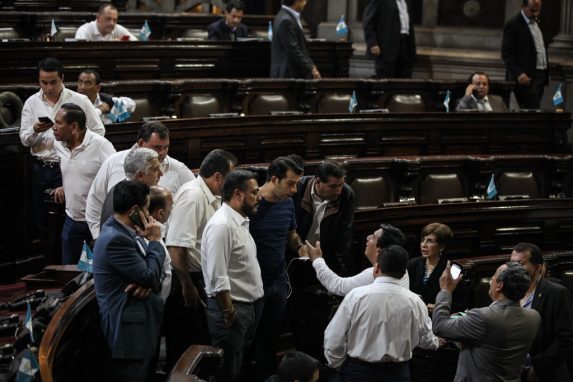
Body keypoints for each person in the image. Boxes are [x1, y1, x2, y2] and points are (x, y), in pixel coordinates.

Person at [163, 149, 237, 370]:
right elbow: (176, 247)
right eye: (230, 178)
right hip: (186, 281)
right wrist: (187, 285)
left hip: (197, 279)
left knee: (198, 341)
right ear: (217, 177)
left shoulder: (209, 195)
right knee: (185, 345)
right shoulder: (193, 196)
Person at [323, 245, 439, 382]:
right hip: (398, 374)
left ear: (377, 268)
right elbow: (427, 340)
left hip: (358, 371)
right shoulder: (415, 301)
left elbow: (334, 338)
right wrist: (436, 342)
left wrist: (336, 365)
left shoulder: (356, 296)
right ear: (403, 273)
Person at [19, 57, 105, 239]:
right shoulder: (31, 103)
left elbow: (98, 131)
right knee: (42, 220)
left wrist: (76, 146)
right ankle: (49, 262)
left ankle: (68, 262)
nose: (49, 88)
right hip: (41, 167)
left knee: (70, 218)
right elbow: (25, 140)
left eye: (53, 82)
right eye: (44, 82)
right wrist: (35, 129)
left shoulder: (79, 100)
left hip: (69, 166)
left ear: (62, 78)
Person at [93, 180, 166, 382]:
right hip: (127, 333)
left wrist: (148, 282)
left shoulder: (126, 232)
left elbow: (154, 275)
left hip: (139, 326)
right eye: (146, 208)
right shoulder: (116, 239)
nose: (149, 215)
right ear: (135, 210)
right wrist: (155, 242)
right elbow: (151, 274)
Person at [201, 169, 263, 382]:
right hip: (231, 310)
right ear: (238, 194)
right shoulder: (222, 226)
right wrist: (229, 313)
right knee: (226, 372)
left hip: (245, 308)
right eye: (254, 193)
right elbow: (218, 275)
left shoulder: (239, 221)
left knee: (237, 367)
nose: (259, 197)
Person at [433, 261, 540, 381]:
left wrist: (446, 291)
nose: (491, 280)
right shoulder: (534, 317)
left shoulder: (482, 317)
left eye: (494, 276)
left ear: (499, 286)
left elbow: (439, 326)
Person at [86, 120, 194, 239]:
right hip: (122, 242)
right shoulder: (113, 162)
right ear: (141, 142)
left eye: (166, 147)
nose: (162, 153)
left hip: (163, 241)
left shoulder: (179, 169)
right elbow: (95, 201)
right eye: (157, 147)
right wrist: (98, 237)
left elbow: (194, 197)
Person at [249, 156, 306, 381]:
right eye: (290, 184)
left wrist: (301, 248)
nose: (294, 190)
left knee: (271, 340)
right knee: (248, 342)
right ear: (274, 179)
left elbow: (291, 234)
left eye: (297, 184)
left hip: (278, 281)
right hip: (253, 284)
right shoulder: (250, 204)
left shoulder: (287, 202)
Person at [52, 103, 115, 264]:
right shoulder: (58, 144)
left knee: (99, 272)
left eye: (59, 123)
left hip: (99, 221)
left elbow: (115, 180)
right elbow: (75, 170)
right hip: (72, 220)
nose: (53, 127)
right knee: (70, 272)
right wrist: (65, 186)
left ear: (73, 127)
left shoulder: (101, 146)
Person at [510, 242, 573, 381]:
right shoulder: (509, 291)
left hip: (546, 373)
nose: (514, 269)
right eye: (511, 263)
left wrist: (538, 367)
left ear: (538, 268)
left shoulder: (556, 293)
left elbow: (565, 339)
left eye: (520, 264)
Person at [306, 223, 409, 296]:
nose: (368, 238)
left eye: (373, 237)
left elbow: (337, 285)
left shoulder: (374, 274)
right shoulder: (403, 269)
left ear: (379, 250)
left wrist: (317, 259)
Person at [292, 160, 355, 275]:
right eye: (333, 186)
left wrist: (340, 272)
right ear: (318, 182)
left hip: (325, 258)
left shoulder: (346, 194)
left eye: (341, 185)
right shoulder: (297, 189)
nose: (338, 191)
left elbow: (344, 236)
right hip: (295, 255)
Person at [407, 222, 467, 314]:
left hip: (438, 320)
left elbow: (461, 304)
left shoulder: (453, 269)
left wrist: (440, 308)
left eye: (430, 241)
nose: (424, 245)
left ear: (442, 247)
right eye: (423, 240)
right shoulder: (412, 264)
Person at [99, 147, 163, 229]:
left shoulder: (121, 189)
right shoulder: (128, 198)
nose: (161, 174)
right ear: (140, 176)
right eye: (155, 169)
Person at [501, 0, 548, 109]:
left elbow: (540, 48)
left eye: (538, 10)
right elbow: (506, 53)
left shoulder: (537, 22)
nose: (536, 14)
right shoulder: (513, 24)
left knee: (534, 110)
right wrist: (519, 73)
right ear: (523, 7)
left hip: (540, 75)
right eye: (532, 10)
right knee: (532, 111)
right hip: (526, 77)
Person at [362, 0, 416, 78]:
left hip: (405, 47)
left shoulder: (405, 2)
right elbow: (368, 20)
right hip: (386, 49)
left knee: (404, 82)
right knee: (386, 81)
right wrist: (372, 43)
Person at [270, 0, 321, 79]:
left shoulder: (284, 15)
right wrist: (311, 68)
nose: (305, 2)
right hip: (288, 76)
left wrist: (311, 66)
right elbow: (293, 50)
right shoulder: (286, 20)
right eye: (304, 0)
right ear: (297, 1)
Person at [148, 185, 174, 302]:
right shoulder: (149, 237)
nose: (172, 210)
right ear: (160, 213)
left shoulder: (157, 232)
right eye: (171, 207)